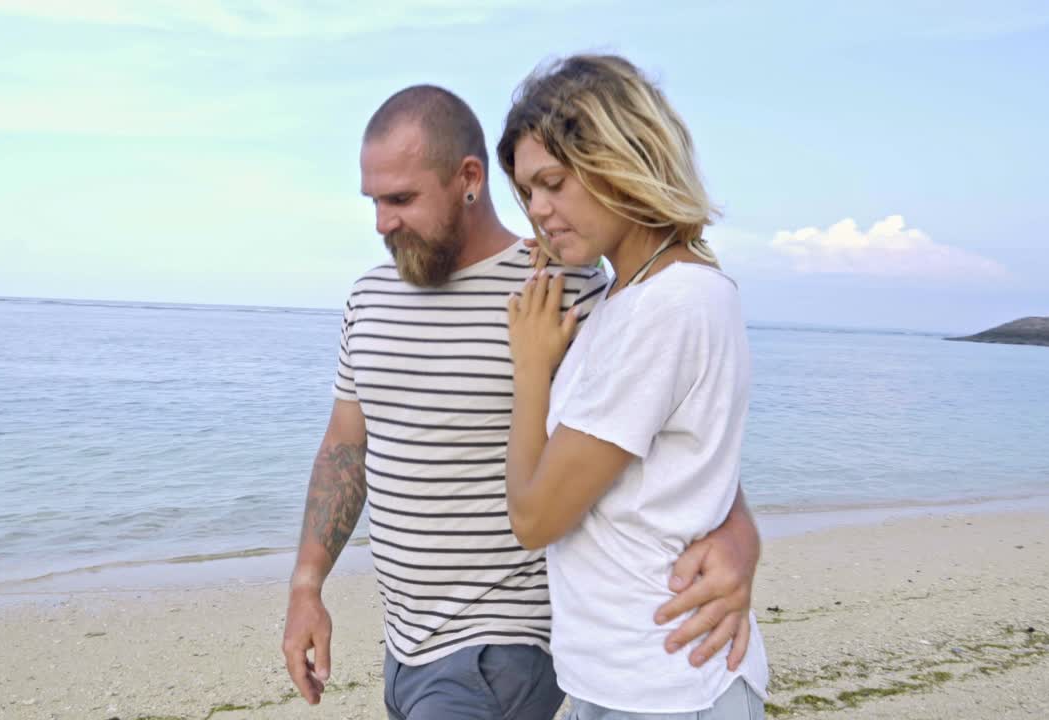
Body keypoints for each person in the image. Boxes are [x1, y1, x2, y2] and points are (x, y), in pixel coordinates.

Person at [282, 83, 762, 720]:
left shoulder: (568, 287)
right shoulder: (368, 298)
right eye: (374, 201)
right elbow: (346, 441)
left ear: (469, 179)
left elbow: (677, 432)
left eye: (401, 199)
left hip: (504, 649)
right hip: (404, 645)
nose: (382, 222)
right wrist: (307, 584)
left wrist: (737, 530)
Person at [499, 55, 769, 718]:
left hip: (664, 680)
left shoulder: (666, 306)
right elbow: (684, 473)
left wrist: (532, 368)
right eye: (528, 192)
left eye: (553, 183)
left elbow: (535, 519)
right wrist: (743, 531)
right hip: (629, 675)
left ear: (618, 159)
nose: (537, 210)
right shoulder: (638, 295)